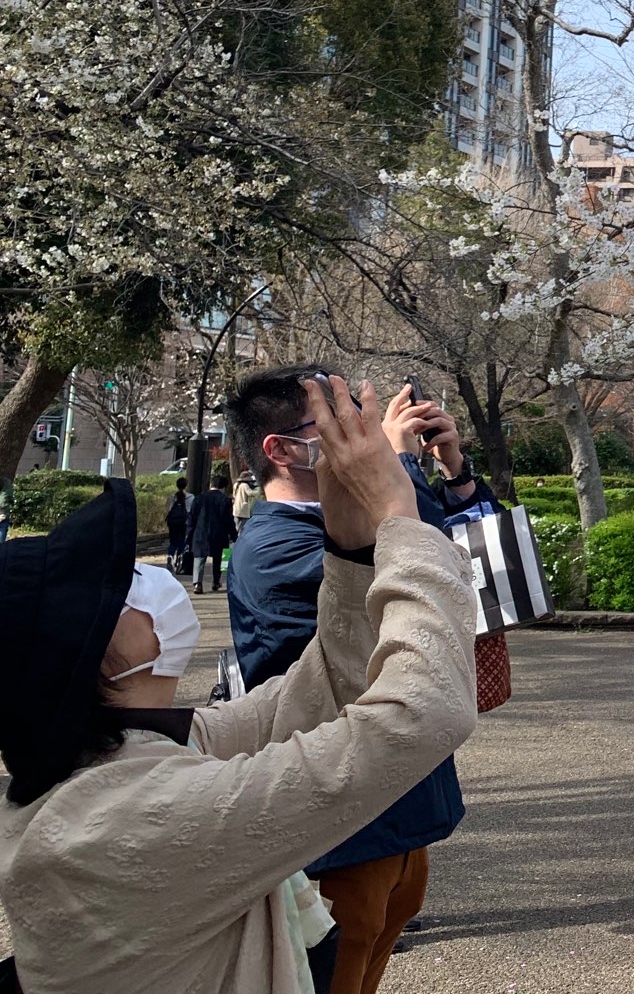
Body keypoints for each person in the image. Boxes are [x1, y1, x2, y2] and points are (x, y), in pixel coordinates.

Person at [0, 378, 478, 994]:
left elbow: (321, 688)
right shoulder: (135, 817)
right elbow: (422, 713)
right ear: (82, 663)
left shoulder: (115, 756)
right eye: (115, 596)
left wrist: (356, 541)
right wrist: (398, 517)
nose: (143, 585)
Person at [226, 366, 470, 994]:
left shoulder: (335, 521)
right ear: (280, 450)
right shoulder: (273, 547)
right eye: (335, 421)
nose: (357, 433)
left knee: (371, 963)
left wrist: (453, 473)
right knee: (333, 971)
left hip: (398, 798)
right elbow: (406, 566)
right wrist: (395, 472)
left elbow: (462, 571)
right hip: (341, 819)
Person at [186, 472, 234, 593]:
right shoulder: (225, 500)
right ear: (223, 487)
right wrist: (234, 535)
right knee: (221, 558)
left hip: (200, 533)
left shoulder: (199, 498)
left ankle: (197, 583)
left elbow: (192, 518)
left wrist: (189, 534)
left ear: (211, 485)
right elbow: (229, 520)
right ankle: (216, 581)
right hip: (219, 534)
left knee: (199, 558)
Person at [164, 476, 189, 572]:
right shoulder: (190, 497)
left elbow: (168, 509)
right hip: (183, 522)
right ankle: (179, 557)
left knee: (173, 540)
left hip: (172, 522)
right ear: (186, 485)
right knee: (182, 540)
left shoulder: (172, 496)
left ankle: (170, 555)